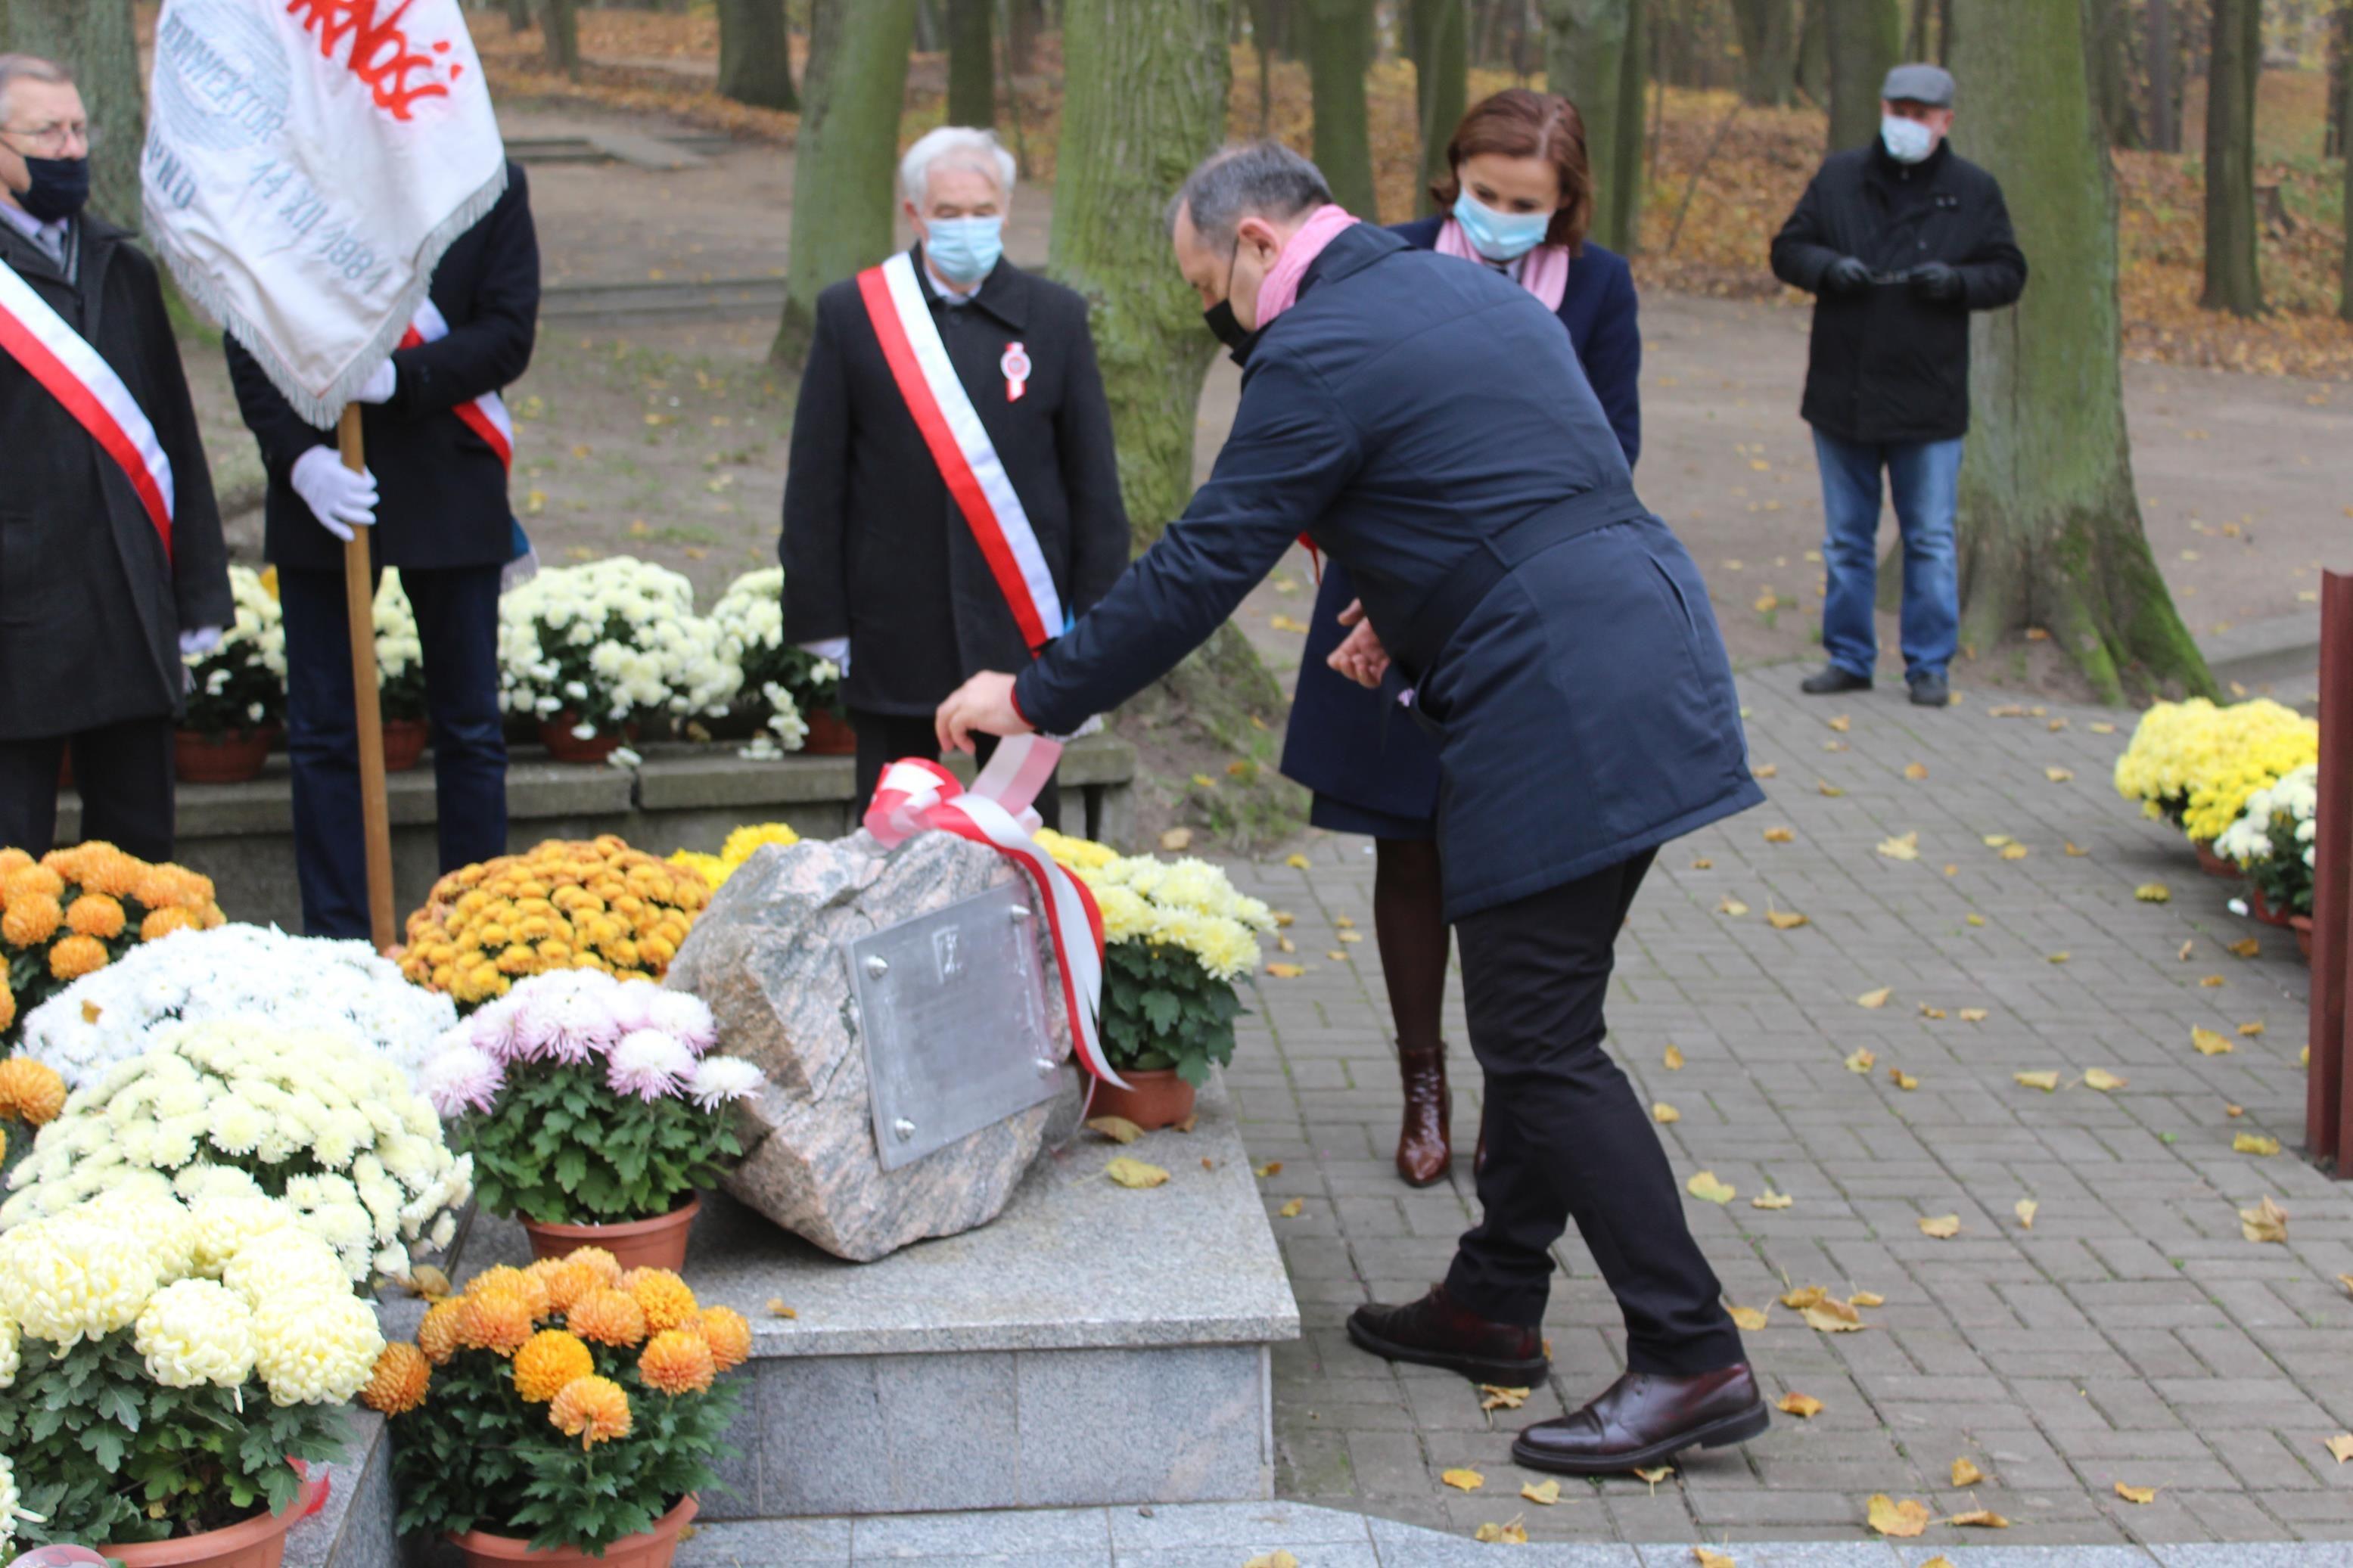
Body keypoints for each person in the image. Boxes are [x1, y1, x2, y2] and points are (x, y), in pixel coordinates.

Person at [937, 142, 1770, 1475]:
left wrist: (1036, 691)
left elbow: (1208, 561)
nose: (1217, 316)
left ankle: (1690, 1351)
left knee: (1541, 1043)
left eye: (1211, 283)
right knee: (1546, 1021)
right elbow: (1510, 473)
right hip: (1644, 647)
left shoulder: (1319, 347)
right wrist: (1410, 599)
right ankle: (1499, 1296)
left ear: (1260, 243)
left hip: (1556, 691)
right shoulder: (1468, 294)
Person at [1282, 87, 1640, 1190]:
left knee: (1510, 859)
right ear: (1452, 177)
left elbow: (1609, 451)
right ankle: (1422, 1084)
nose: (1496, 215)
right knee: (1411, 842)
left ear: (1564, 202)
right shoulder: (1383, 262)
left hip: (1523, 614)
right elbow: (1330, 429)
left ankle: (1512, 1094)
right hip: (1379, 606)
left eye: (1522, 202)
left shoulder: (1597, 289)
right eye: (1482, 193)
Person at [781, 126, 1128, 824]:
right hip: (895, 630)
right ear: (915, 215)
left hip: (1021, 636)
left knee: (1027, 843)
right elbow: (816, 482)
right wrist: (825, 620)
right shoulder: (853, 315)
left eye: (981, 210)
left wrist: (1094, 630)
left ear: (1005, 211)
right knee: (886, 841)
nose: (966, 225)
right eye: (947, 212)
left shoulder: (1056, 319)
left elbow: (1093, 487)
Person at [227, 163, 539, 938]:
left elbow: (506, 333)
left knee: (468, 728)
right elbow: (250, 330)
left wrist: (400, 377)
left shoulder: (486, 181)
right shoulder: (287, 180)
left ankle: (470, 930)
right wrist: (299, 459)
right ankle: (336, 933)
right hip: (325, 485)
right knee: (325, 727)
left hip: (449, 473)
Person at [0, 54, 229, 862]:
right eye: (45, 133)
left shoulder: (121, 266)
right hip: (18, 616)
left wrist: (198, 593)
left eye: (77, 129)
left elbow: (172, 433)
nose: (69, 150)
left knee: (138, 862)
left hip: (128, 609)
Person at [1770, 63, 2027, 709]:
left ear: (1945, 122)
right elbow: (1787, 249)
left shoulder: (1973, 190)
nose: (1908, 124)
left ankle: (1929, 664)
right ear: (1883, 109)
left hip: (1929, 397)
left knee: (1930, 538)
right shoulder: (1838, 178)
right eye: (1899, 110)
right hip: (1842, 392)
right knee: (1847, 539)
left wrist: (1957, 283)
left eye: (1922, 114)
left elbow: (2007, 271)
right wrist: (1831, 268)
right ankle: (1850, 656)